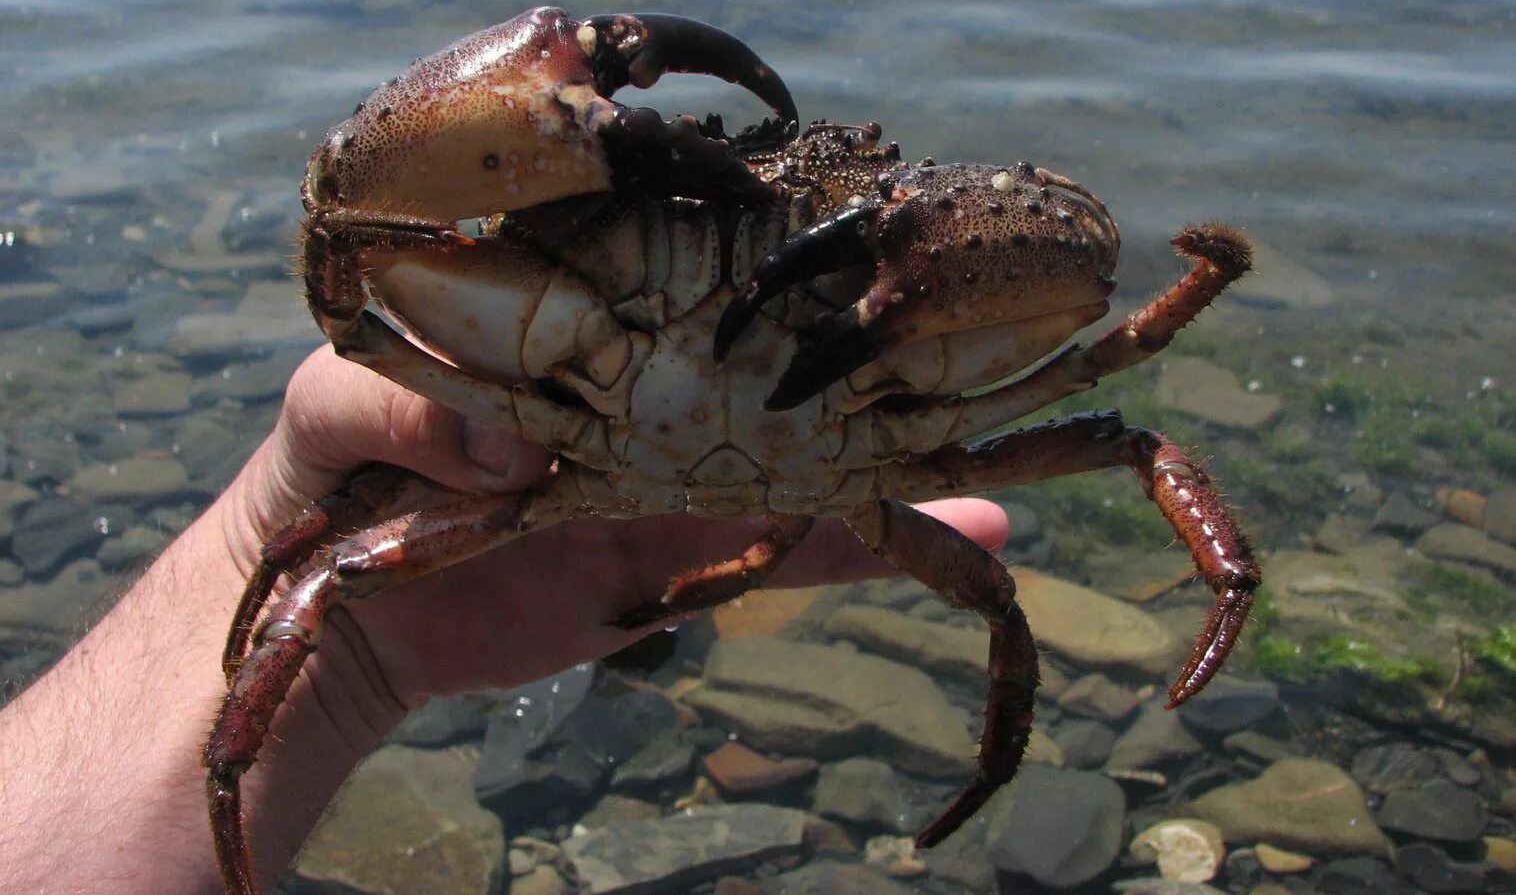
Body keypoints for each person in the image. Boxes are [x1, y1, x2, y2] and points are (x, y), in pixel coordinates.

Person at [0, 346, 1007, 894]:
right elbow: (351, 248)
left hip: (602, 496)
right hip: (531, 495)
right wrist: (301, 604)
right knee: (318, 588)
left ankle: (987, 779)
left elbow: (1101, 344)